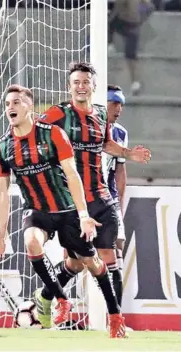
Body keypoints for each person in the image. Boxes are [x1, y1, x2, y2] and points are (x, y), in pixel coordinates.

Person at [0, 63, 151, 333]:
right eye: (76, 82)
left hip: (100, 195)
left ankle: (115, 319)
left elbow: (105, 143)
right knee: (77, 262)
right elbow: (24, 127)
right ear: (69, 87)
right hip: (71, 200)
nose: (81, 86)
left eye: (86, 81)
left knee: (110, 256)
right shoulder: (57, 115)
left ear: (94, 86)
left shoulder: (100, 114)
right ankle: (51, 299)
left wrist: (128, 153)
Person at [0, 84, 127, 338]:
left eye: (16, 102)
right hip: (37, 211)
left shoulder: (53, 135)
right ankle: (62, 300)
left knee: (92, 264)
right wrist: (0, 233)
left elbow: (72, 176)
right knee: (31, 242)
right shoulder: (2, 147)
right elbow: (2, 193)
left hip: (67, 209)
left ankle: (115, 316)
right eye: (7, 104)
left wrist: (83, 215)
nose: (10, 108)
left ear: (29, 106)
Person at [103, 85, 128, 308]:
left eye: (121, 104)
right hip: (82, 199)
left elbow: (120, 171)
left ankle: (116, 314)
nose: (118, 108)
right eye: (114, 103)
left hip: (108, 199)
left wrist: (119, 205)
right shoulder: (83, 129)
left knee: (118, 245)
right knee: (76, 258)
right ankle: (53, 301)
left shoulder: (121, 133)